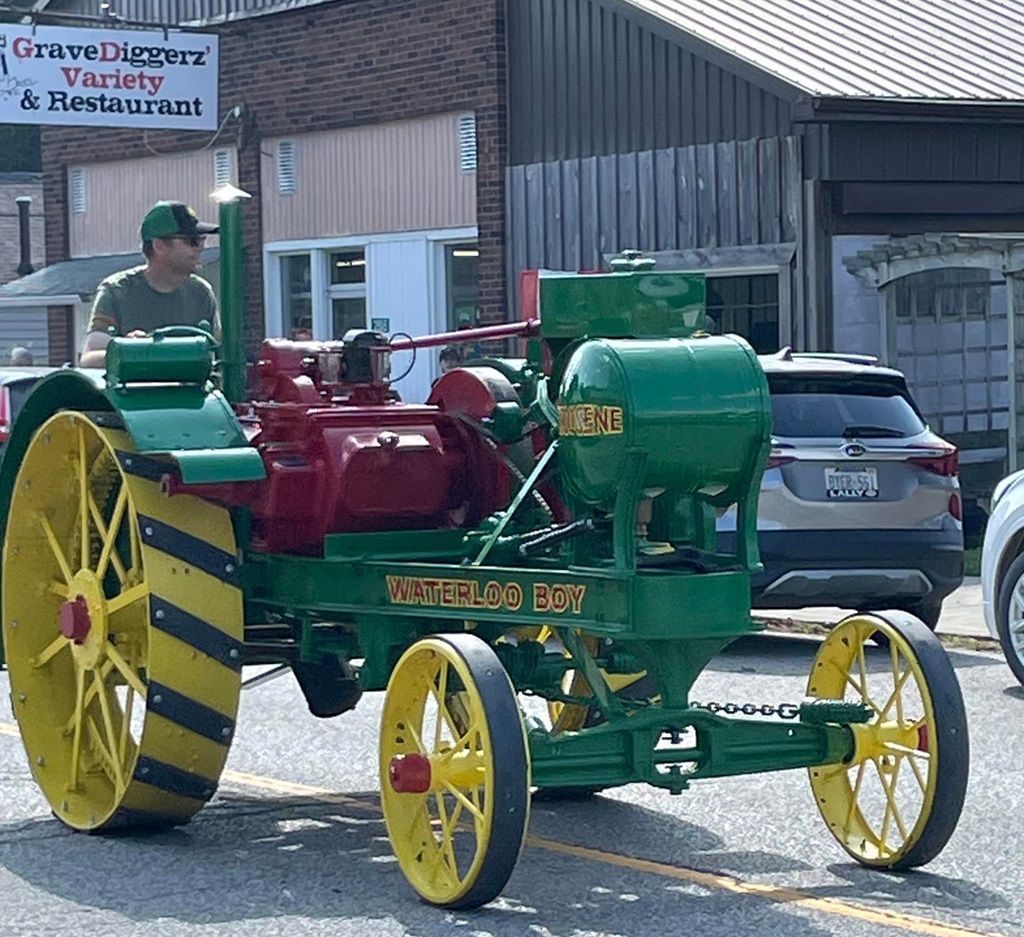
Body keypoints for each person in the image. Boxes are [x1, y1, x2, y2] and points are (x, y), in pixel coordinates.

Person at [79, 200, 219, 368]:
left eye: (202, 240)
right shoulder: (117, 291)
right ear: (159, 246)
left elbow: (218, 353)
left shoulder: (201, 293)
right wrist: (128, 349)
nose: (201, 247)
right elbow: (89, 358)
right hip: (137, 385)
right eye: (193, 241)